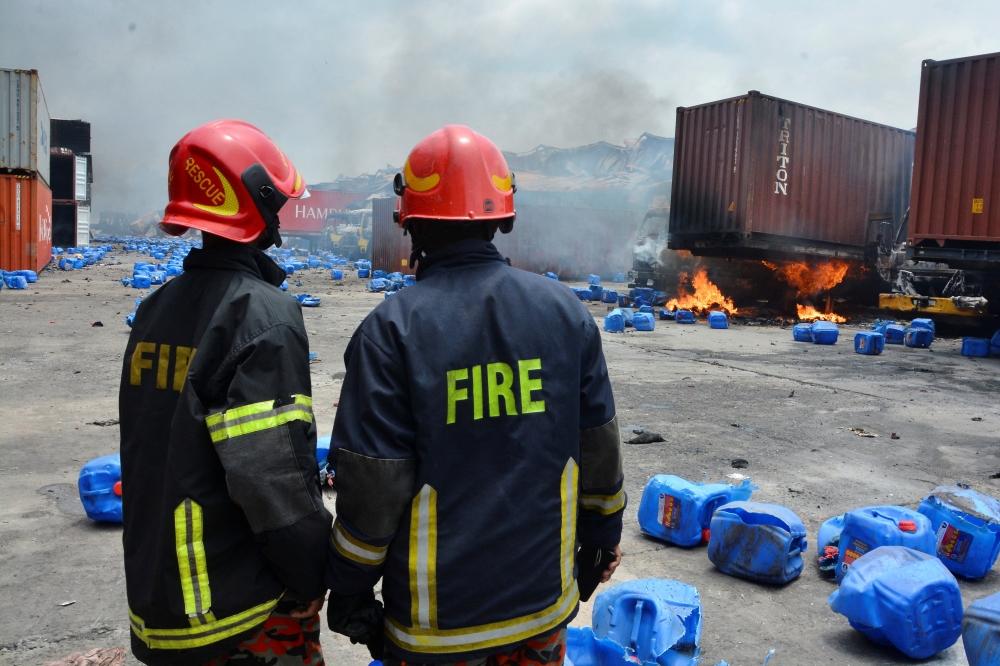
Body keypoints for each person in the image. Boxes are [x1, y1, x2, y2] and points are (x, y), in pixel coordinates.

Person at [325, 125, 625, 666]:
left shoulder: (390, 331)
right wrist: (602, 539)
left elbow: (372, 491)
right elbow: (599, 450)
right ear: (501, 215)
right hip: (542, 612)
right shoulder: (566, 313)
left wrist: (347, 590)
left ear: (410, 220)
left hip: (435, 632)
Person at [119, 119, 332, 666]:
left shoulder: (154, 310)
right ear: (256, 203)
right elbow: (272, 478)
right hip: (238, 609)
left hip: (161, 594)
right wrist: (312, 573)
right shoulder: (263, 315)